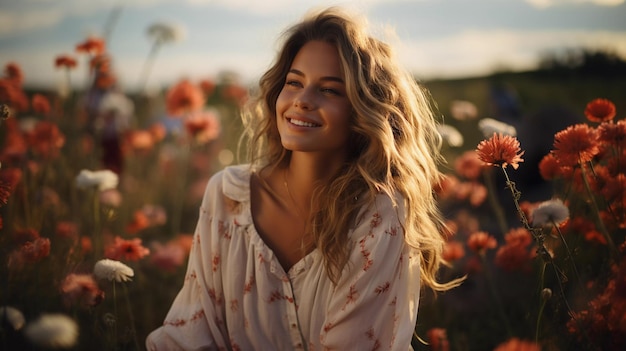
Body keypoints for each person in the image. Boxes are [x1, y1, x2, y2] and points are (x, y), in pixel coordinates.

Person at [146, 7, 462, 350]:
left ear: (362, 111)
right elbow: (189, 333)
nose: (302, 101)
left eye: (329, 90)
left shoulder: (380, 213)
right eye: (294, 82)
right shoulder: (227, 195)